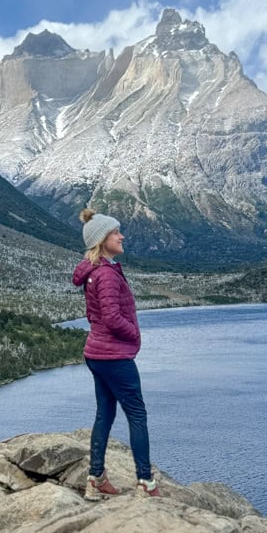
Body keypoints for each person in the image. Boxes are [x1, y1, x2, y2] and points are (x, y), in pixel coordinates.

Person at [72, 208, 160, 499]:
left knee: (105, 413)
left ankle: (96, 478)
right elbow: (111, 317)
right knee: (137, 414)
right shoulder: (106, 274)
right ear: (102, 240)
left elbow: (98, 317)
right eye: (115, 233)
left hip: (97, 354)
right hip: (114, 356)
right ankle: (146, 483)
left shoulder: (94, 272)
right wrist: (134, 334)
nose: (121, 236)